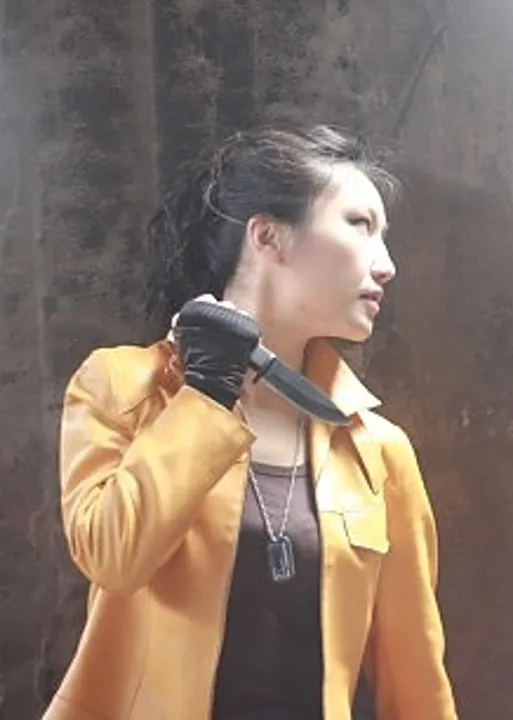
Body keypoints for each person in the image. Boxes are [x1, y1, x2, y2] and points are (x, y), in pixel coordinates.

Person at [45, 125, 459, 719]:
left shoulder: (379, 451)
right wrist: (207, 396)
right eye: (360, 225)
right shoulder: (121, 386)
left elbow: (416, 680)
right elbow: (114, 557)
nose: (387, 265)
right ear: (269, 237)